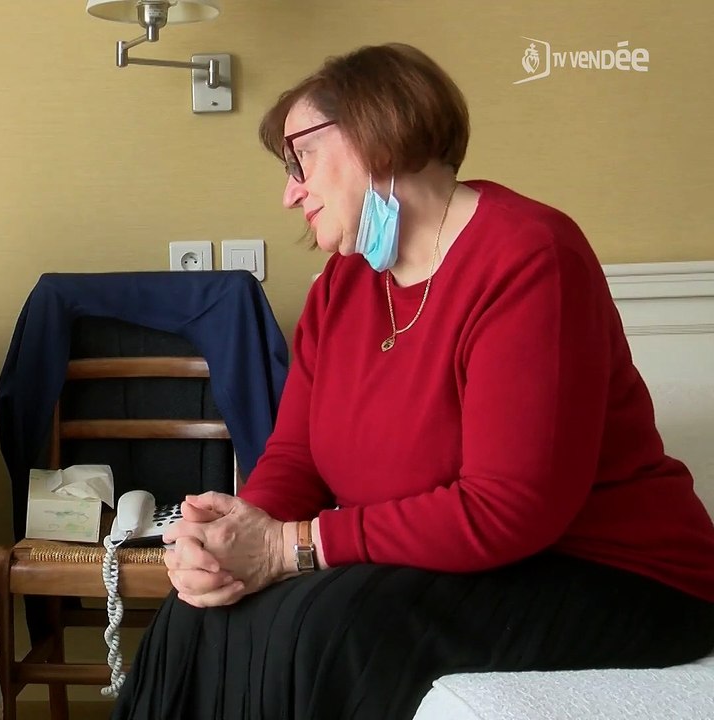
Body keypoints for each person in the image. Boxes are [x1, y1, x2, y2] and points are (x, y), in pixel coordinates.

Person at [113, 43, 714, 720]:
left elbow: (508, 508)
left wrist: (291, 547)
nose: (289, 191)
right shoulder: (342, 286)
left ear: (376, 132)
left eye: (299, 158)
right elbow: (297, 456)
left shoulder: (529, 257)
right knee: (199, 612)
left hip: (615, 573)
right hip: (466, 565)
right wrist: (236, 541)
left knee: (338, 627)